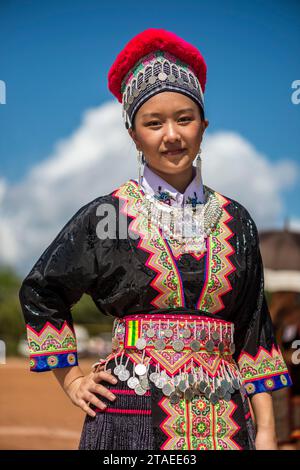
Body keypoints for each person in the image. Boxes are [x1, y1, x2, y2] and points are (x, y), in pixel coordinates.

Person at [19, 28, 292, 451]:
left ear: (204, 125)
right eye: (153, 122)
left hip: (228, 422)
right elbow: (42, 291)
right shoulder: (106, 214)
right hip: (129, 414)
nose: (172, 135)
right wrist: (72, 380)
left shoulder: (237, 221)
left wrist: (269, 434)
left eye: (184, 118)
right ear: (133, 133)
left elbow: (254, 328)